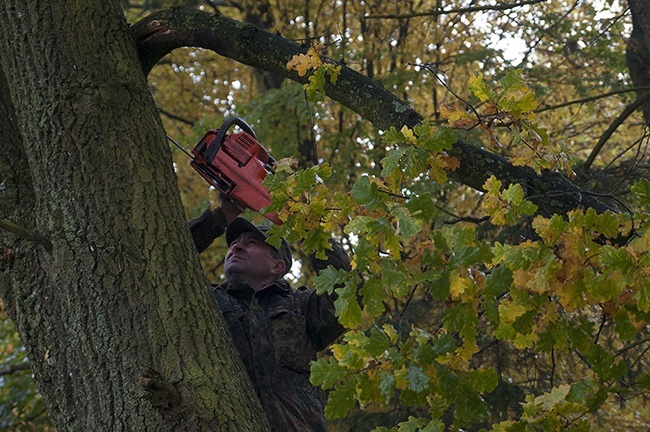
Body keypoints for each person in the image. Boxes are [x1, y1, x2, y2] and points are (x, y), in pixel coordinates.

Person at [189, 196, 350, 432]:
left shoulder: (301, 307)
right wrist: (222, 215)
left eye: (252, 242)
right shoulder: (209, 301)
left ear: (278, 266)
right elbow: (164, 256)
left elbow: (346, 292)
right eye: (234, 243)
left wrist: (305, 223)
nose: (237, 246)